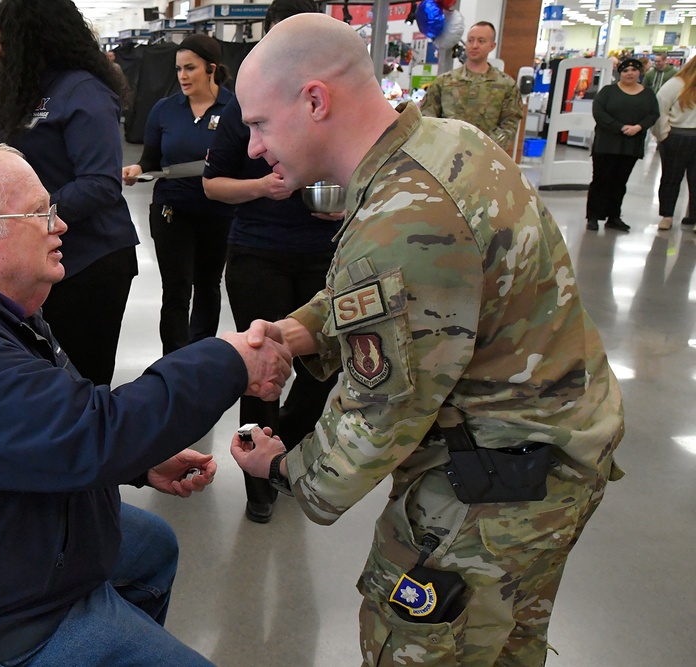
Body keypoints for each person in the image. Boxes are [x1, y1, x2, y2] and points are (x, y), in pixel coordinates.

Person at [229, 14, 624, 666]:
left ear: (315, 101)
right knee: (503, 643)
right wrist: (298, 333)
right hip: (554, 456)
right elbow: (400, 292)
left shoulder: (401, 217)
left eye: (258, 124)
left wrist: (280, 464)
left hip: (492, 481)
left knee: (417, 642)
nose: (252, 147)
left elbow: (370, 425)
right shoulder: (445, 145)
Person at [0, 144, 291, 666]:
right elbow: (94, 431)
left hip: (6, 535)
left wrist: (139, 459)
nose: (60, 225)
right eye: (40, 213)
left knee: (154, 545)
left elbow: (55, 423)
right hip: (0, 620)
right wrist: (229, 361)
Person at [203, 0, 338, 524]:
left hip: (324, 256)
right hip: (259, 252)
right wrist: (263, 185)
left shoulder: (327, 103)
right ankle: (256, 481)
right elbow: (213, 185)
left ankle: (282, 453)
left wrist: (347, 199)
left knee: (323, 372)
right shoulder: (246, 101)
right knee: (261, 370)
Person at [0, 0, 138, 386]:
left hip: (90, 263)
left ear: (31, 38)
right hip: (42, 257)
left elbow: (99, 184)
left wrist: (25, 215)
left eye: (4, 39)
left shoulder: (83, 91)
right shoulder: (23, 90)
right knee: (45, 381)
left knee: (81, 383)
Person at [122, 35, 234, 355]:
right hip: (172, 209)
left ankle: (201, 355)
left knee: (208, 286)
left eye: (190, 68)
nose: (182, 76)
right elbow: (151, 159)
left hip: (219, 212)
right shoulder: (164, 110)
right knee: (176, 290)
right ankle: (173, 360)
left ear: (211, 68)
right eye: (178, 69)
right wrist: (137, 169)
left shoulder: (234, 110)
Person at [420, 21, 523, 153]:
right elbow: (428, 119)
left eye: (481, 41)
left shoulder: (505, 85)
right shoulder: (444, 82)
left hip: (485, 158)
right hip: (446, 155)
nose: (474, 46)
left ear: (492, 46)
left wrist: (485, 149)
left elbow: (509, 124)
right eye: (470, 40)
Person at [586, 57, 660, 233]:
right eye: (626, 71)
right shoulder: (608, 91)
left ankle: (614, 217)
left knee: (620, 182)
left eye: (633, 70)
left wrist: (639, 127)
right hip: (606, 144)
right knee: (601, 180)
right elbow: (599, 112)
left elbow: (653, 114)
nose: (630, 73)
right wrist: (619, 127)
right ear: (620, 73)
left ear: (639, 73)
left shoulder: (648, 94)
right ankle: (593, 217)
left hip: (630, 146)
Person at [652, 57, 696, 231]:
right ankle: (667, 216)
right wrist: (663, 134)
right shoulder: (676, 84)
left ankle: (693, 217)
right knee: (671, 178)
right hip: (676, 137)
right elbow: (660, 108)